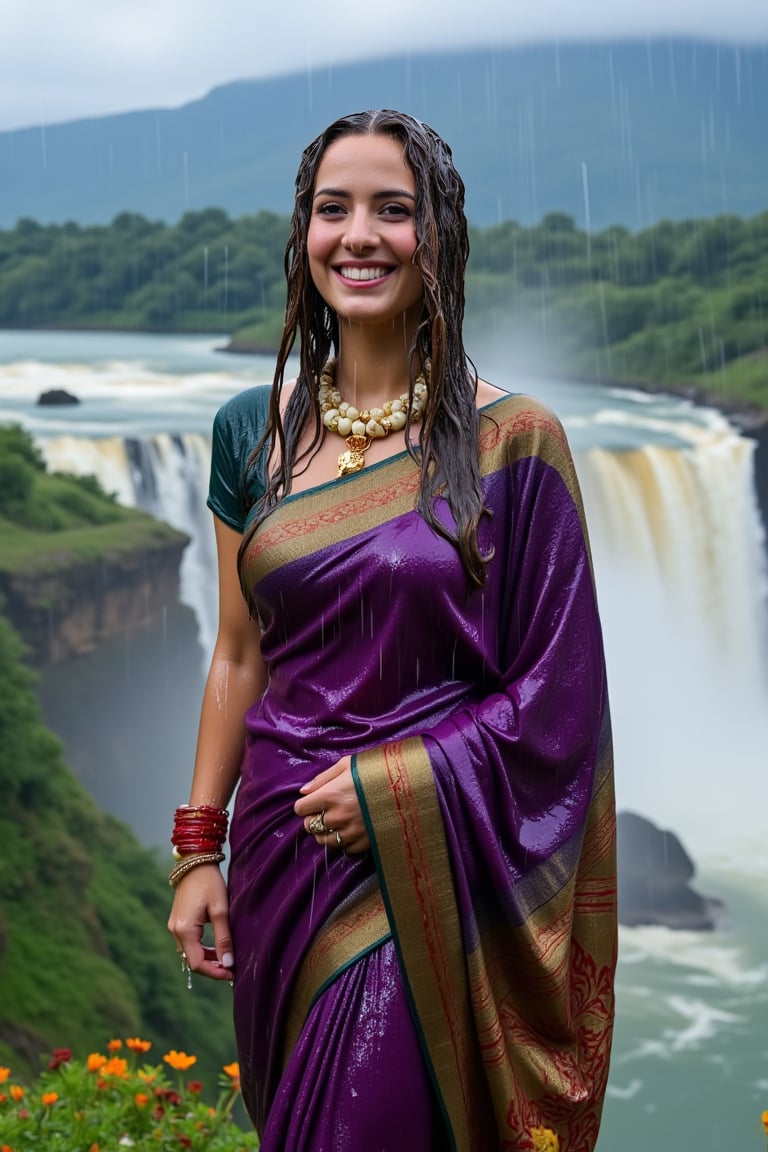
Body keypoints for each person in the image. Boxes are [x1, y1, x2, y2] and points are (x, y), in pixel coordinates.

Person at [167, 109, 617, 1152]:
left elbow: (561, 692)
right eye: (334, 209)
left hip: (429, 864)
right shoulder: (253, 431)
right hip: (284, 855)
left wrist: (403, 784)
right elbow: (240, 654)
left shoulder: (514, 444)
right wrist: (199, 847)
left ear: (440, 237)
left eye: (393, 210)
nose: (359, 235)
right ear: (303, 233)